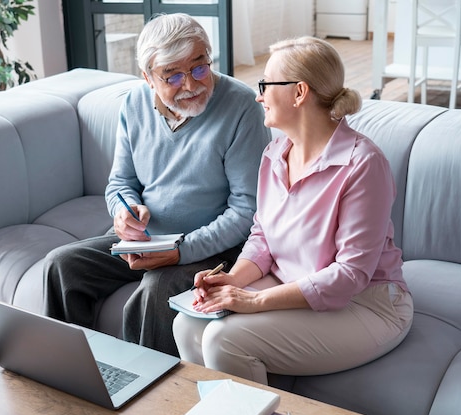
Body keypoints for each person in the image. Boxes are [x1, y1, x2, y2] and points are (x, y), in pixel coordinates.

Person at [172, 36, 414, 383]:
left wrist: (254, 301)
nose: (258, 96)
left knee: (225, 339)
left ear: (299, 93)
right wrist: (233, 279)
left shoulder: (363, 164)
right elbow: (262, 236)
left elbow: (350, 275)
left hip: (366, 303)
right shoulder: (275, 153)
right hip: (291, 282)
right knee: (188, 322)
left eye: (265, 85)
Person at [43, 13, 271, 356]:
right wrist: (123, 212)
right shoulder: (134, 104)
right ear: (148, 78)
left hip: (213, 246)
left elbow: (246, 211)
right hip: (148, 240)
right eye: (173, 76)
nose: (192, 85)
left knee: (157, 287)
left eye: (199, 67)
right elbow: (120, 183)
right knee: (61, 266)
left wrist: (181, 251)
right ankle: (70, 372)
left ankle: (147, 396)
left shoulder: (241, 107)